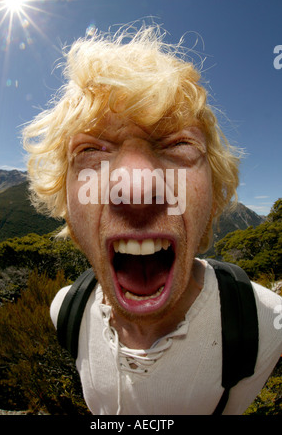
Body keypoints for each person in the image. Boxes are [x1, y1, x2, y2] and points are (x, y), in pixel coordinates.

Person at [22, 24, 282, 415]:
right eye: (92, 149)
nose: (137, 187)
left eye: (178, 143)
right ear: (67, 208)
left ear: (213, 199)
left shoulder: (268, 327)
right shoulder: (65, 312)